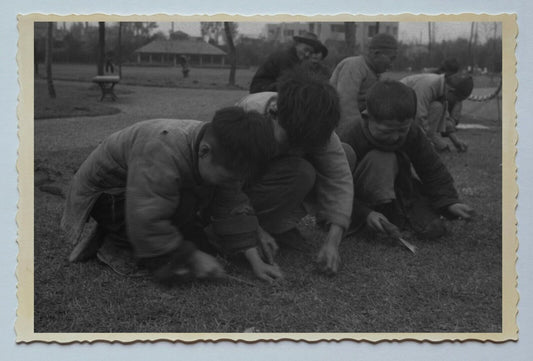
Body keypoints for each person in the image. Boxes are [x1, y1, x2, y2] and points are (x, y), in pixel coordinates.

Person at [61, 106, 283, 284]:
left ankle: (132, 236)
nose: (232, 183)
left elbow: (232, 202)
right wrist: (191, 257)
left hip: (148, 190)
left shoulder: (225, 151)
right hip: (109, 194)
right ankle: (114, 246)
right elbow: (146, 213)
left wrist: (255, 260)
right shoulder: (162, 148)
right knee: (166, 264)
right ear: (204, 151)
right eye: (228, 177)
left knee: (202, 247)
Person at [236, 69, 354, 275]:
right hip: (239, 186)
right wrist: (254, 229)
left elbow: (339, 178)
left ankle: (278, 225)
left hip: (272, 179)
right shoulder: (249, 118)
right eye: (293, 142)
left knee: (345, 154)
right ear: (276, 116)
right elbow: (226, 186)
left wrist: (332, 242)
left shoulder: (316, 121)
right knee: (302, 172)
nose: (298, 150)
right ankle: (247, 230)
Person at [342, 80, 474, 241]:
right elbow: (336, 186)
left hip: (400, 191)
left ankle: (392, 214)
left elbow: (431, 169)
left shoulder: (413, 132)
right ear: (367, 117)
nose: (395, 137)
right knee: (383, 158)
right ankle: (367, 221)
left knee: (432, 229)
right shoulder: (350, 136)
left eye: (402, 130)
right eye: (387, 131)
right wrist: (365, 213)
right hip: (355, 199)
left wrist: (450, 202)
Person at [329, 33, 398, 140]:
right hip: (338, 127)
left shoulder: (374, 72)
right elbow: (346, 104)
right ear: (376, 53)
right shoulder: (354, 65)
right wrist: (358, 135)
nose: (391, 64)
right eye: (391, 59)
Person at [400, 72, 474, 152]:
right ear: (451, 91)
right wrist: (426, 144)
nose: (454, 102)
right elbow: (419, 116)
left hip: (409, 110)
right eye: (456, 99)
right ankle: (415, 143)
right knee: (437, 107)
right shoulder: (428, 86)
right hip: (398, 107)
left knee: (437, 106)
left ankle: (428, 140)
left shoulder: (443, 89)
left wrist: (456, 141)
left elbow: (445, 118)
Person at [249, 31, 328, 94]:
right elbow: (286, 85)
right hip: (261, 91)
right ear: (297, 45)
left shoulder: (296, 59)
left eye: (310, 52)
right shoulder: (285, 57)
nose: (307, 54)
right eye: (306, 49)